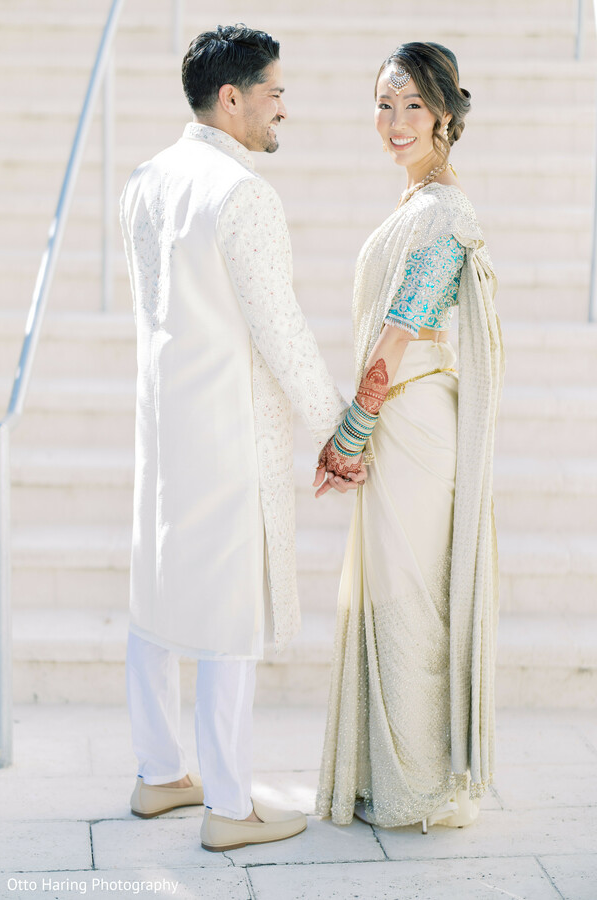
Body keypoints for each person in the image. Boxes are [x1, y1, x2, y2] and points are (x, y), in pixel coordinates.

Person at [119, 24, 362, 853]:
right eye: (275, 93)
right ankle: (229, 805)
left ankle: (160, 774)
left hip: (164, 426)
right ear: (233, 98)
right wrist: (342, 428)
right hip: (225, 428)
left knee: (155, 594)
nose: (282, 108)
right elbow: (279, 325)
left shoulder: (145, 179)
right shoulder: (242, 191)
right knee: (229, 613)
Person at [314, 42, 504, 831]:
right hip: (408, 420)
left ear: (447, 115)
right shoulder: (419, 203)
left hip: (414, 425)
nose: (394, 122)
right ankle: (393, 775)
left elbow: (401, 331)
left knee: (410, 601)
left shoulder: (445, 213)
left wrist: (350, 433)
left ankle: (417, 787)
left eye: (412, 106)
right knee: (396, 594)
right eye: (384, 104)